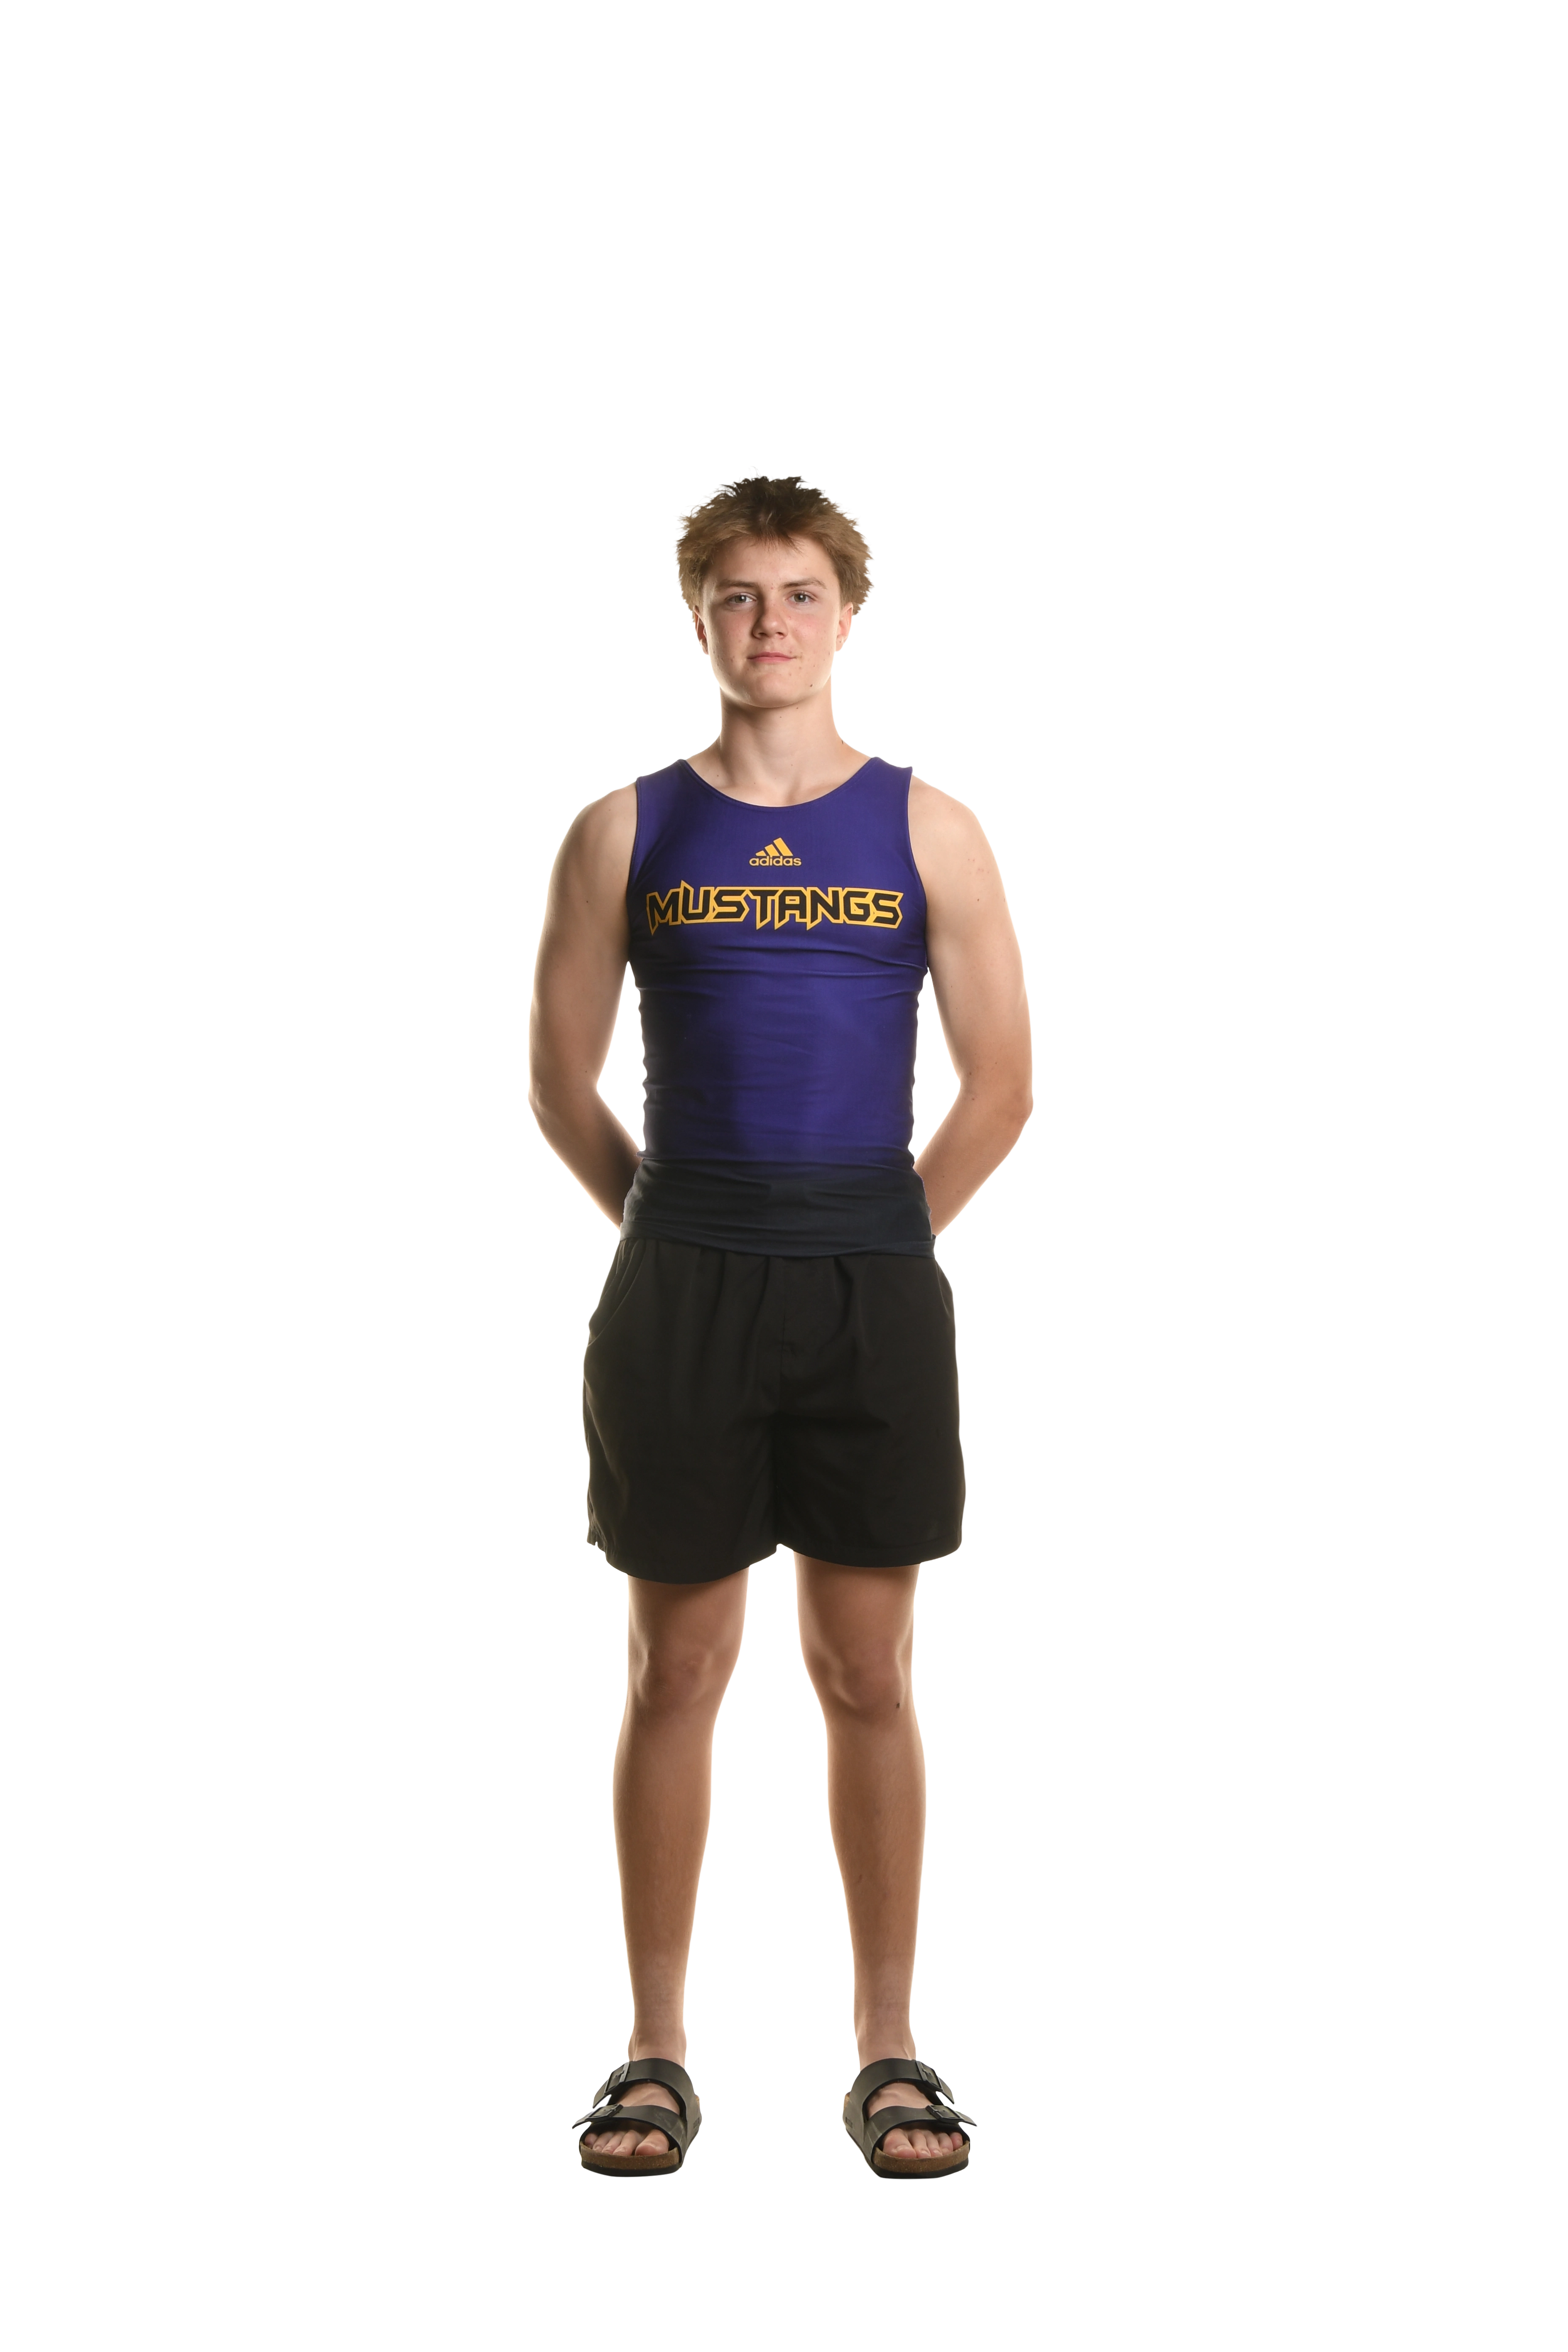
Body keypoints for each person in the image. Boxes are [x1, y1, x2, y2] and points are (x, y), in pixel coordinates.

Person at [531, 467, 1032, 2178]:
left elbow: (1003, 1084)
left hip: (869, 1287)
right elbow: (558, 1079)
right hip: (679, 1285)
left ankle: (889, 2041)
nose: (768, 624)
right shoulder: (624, 830)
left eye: (800, 593)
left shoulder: (928, 829)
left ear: (851, 611)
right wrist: (681, 1235)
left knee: (866, 1669)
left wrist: (865, 1245)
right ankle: (655, 2047)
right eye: (735, 595)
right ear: (693, 615)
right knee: (674, 1666)